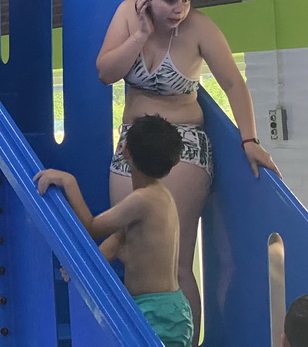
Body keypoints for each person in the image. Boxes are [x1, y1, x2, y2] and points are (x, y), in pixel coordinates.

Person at [97, 0, 282, 343]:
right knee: (129, 246)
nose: (179, 9)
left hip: (183, 144)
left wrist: (250, 141)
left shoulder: (199, 27)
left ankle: (186, 340)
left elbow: (232, 83)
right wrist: (140, 35)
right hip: (133, 140)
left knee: (175, 263)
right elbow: (106, 73)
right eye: (169, 0)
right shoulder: (126, 16)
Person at [35, 114, 193, 347]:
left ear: (125, 151)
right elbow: (120, 239)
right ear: (177, 159)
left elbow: (91, 228)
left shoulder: (142, 200)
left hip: (154, 311)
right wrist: (86, 266)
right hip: (168, 308)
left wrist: (68, 182)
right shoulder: (160, 197)